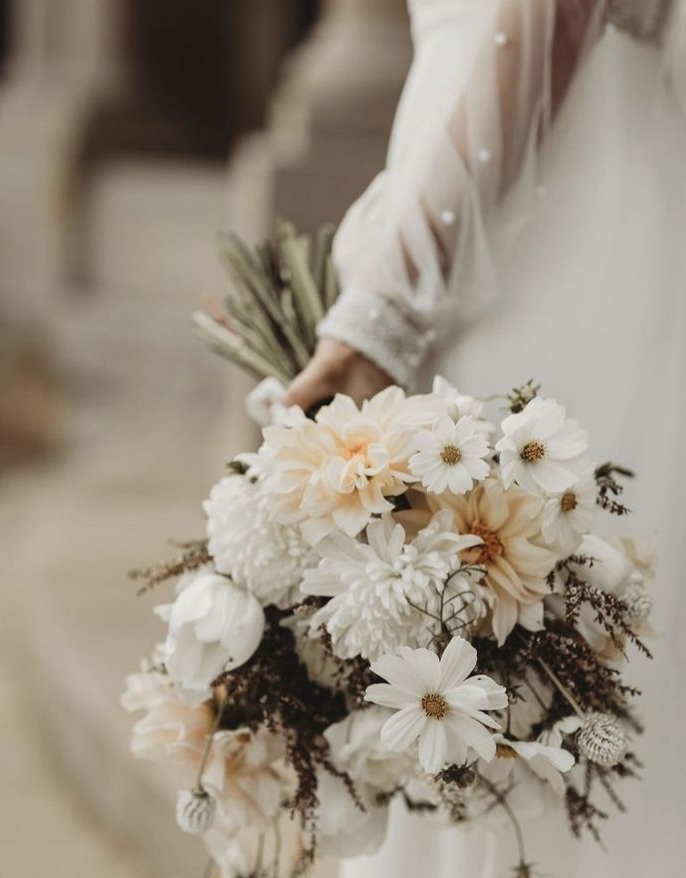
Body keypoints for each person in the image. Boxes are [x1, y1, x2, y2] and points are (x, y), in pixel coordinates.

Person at [284, 1, 686, 876]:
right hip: (570, 199)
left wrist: (381, 312)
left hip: (538, 231)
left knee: (528, 659)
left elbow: (542, 23)